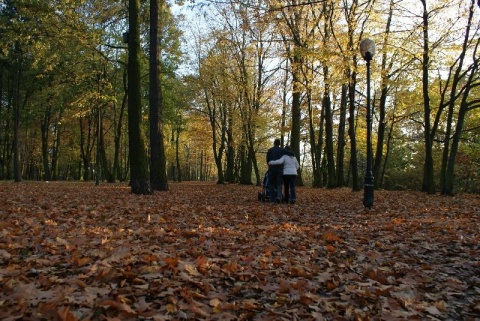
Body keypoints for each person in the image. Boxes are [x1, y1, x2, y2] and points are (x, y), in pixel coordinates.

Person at [266, 138, 285, 203]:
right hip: (279, 169)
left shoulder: (270, 150)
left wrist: (270, 165)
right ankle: (279, 197)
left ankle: (272, 199)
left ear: (274, 143)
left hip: (272, 169)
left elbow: (268, 160)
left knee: (271, 183)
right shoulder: (282, 150)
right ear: (279, 144)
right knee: (279, 184)